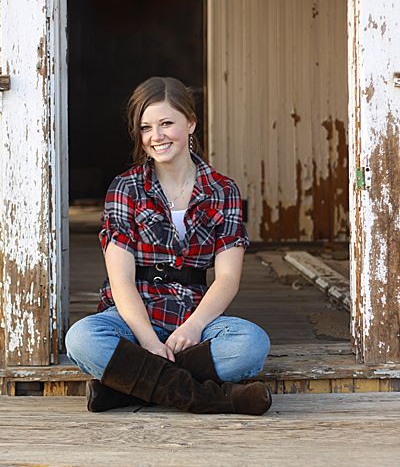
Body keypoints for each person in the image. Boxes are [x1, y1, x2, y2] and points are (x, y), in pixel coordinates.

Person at [66, 76, 271, 415]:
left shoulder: (222, 190)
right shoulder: (126, 188)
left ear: (190, 123)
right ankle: (216, 399)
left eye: (166, 124)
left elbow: (228, 278)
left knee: (252, 345)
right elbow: (121, 281)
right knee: (82, 339)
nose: (156, 137)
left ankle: (125, 389)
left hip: (194, 317)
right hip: (133, 319)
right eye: (146, 128)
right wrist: (147, 341)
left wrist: (193, 327)